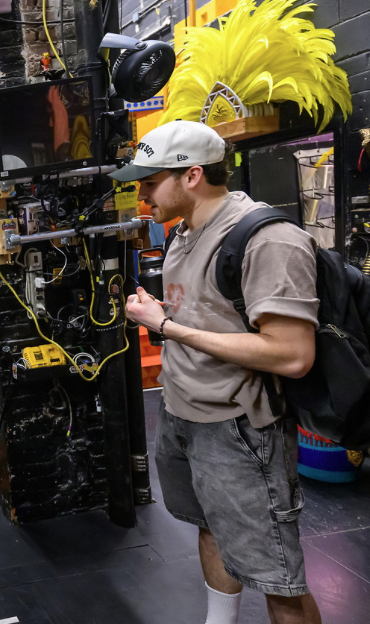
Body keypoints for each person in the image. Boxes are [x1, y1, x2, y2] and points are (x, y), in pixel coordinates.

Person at [118, 121, 322, 624]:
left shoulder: (267, 238)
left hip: (240, 430)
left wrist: (166, 325)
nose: (141, 194)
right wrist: (169, 317)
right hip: (183, 414)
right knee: (210, 528)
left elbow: (293, 354)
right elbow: (209, 315)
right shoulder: (184, 233)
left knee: (277, 576)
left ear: (192, 176)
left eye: (150, 181)